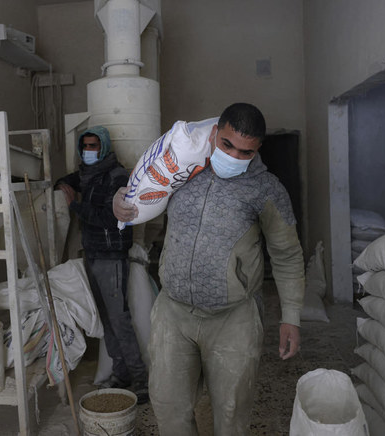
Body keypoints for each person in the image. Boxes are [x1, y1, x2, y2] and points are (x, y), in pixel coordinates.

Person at [114, 103, 304, 434]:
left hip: (233, 319)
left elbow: (287, 254)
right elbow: (144, 192)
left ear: (258, 149)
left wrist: (291, 316)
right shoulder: (184, 168)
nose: (233, 156)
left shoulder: (267, 189)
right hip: (173, 313)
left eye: (245, 152)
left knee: (231, 414)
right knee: (169, 409)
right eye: (227, 144)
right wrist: (121, 200)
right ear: (215, 132)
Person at [55, 126, 149, 404]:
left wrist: (75, 206)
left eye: (93, 146)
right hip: (93, 253)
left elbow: (111, 218)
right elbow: (66, 180)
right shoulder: (87, 174)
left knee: (119, 319)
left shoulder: (116, 176)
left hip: (111, 255)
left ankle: (141, 381)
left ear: (104, 147)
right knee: (107, 319)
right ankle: (121, 374)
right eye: (85, 146)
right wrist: (61, 184)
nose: (88, 151)